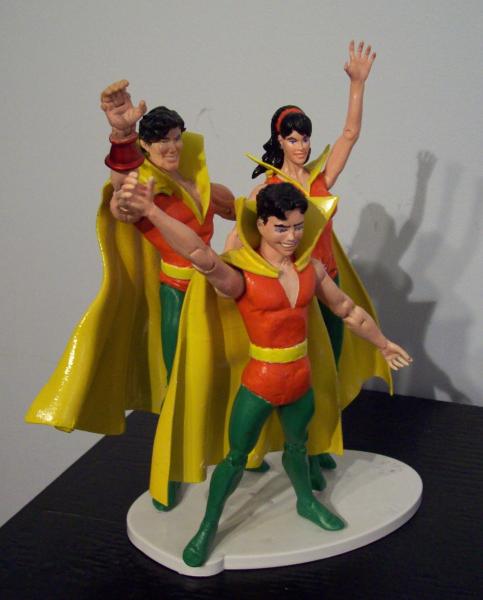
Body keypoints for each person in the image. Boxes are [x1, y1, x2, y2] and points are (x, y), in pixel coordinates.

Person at [118, 173, 412, 567]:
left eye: (297, 227)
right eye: (281, 228)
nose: (291, 237)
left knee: (298, 446)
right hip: (260, 382)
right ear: (261, 224)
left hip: (300, 380)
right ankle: (208, 526)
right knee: (235, 458)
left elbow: (347, 310)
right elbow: (199, 255)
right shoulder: (243, 276)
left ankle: (306, 501)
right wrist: (152, 211)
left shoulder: (311, 270)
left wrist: (382, 343)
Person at [26, 80, 234, 510]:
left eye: (176, 138)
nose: (171, 147)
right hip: (179, 294)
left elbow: (242, 212)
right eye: (161, 141)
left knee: (230, 371)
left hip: (218, 291)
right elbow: (122, 197)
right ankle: (171, 469)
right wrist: (122, 134)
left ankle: (240, 448)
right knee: (179, 383)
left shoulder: (200, 183)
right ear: (146, 146)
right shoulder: (144, 190)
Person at [246, 41, 382, 487]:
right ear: (279, 141)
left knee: (330, 370)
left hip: (330, 284)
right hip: (296, 294)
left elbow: (349, 134)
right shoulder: (269, 188)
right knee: (297, 380)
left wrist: (357, 85)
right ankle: (296, 453)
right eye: (292, 138)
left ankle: (320, 444)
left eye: (305, 138)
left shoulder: (321, 178)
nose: (301, 146)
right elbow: (248, 236)